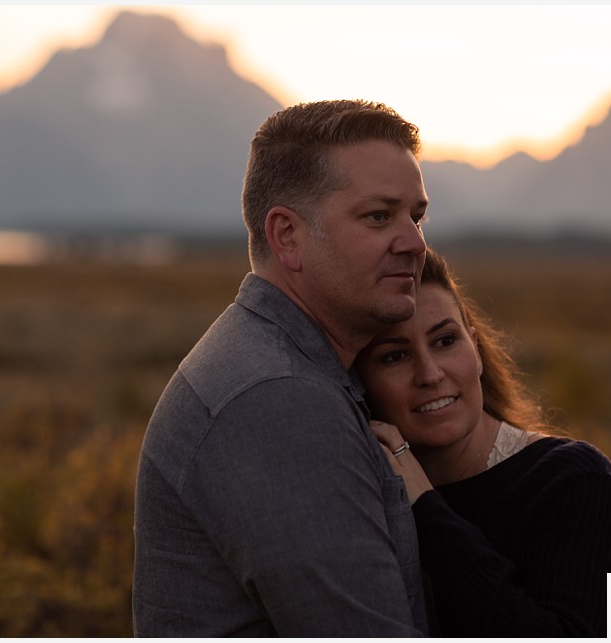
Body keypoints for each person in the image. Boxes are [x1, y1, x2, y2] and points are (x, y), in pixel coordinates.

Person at [133, 100, 431, 636]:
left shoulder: (284, 365)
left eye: (417, 215)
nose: (414, 243)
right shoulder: (279, 401)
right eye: (379, 216)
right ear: (287, 236)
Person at [355, 248, 611, 637]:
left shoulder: (571, 480)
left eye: (445, 341)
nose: (430, 373)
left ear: (475, 350)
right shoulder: (362, 494)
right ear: (359, 383)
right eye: (395, 356)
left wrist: (427, 509)